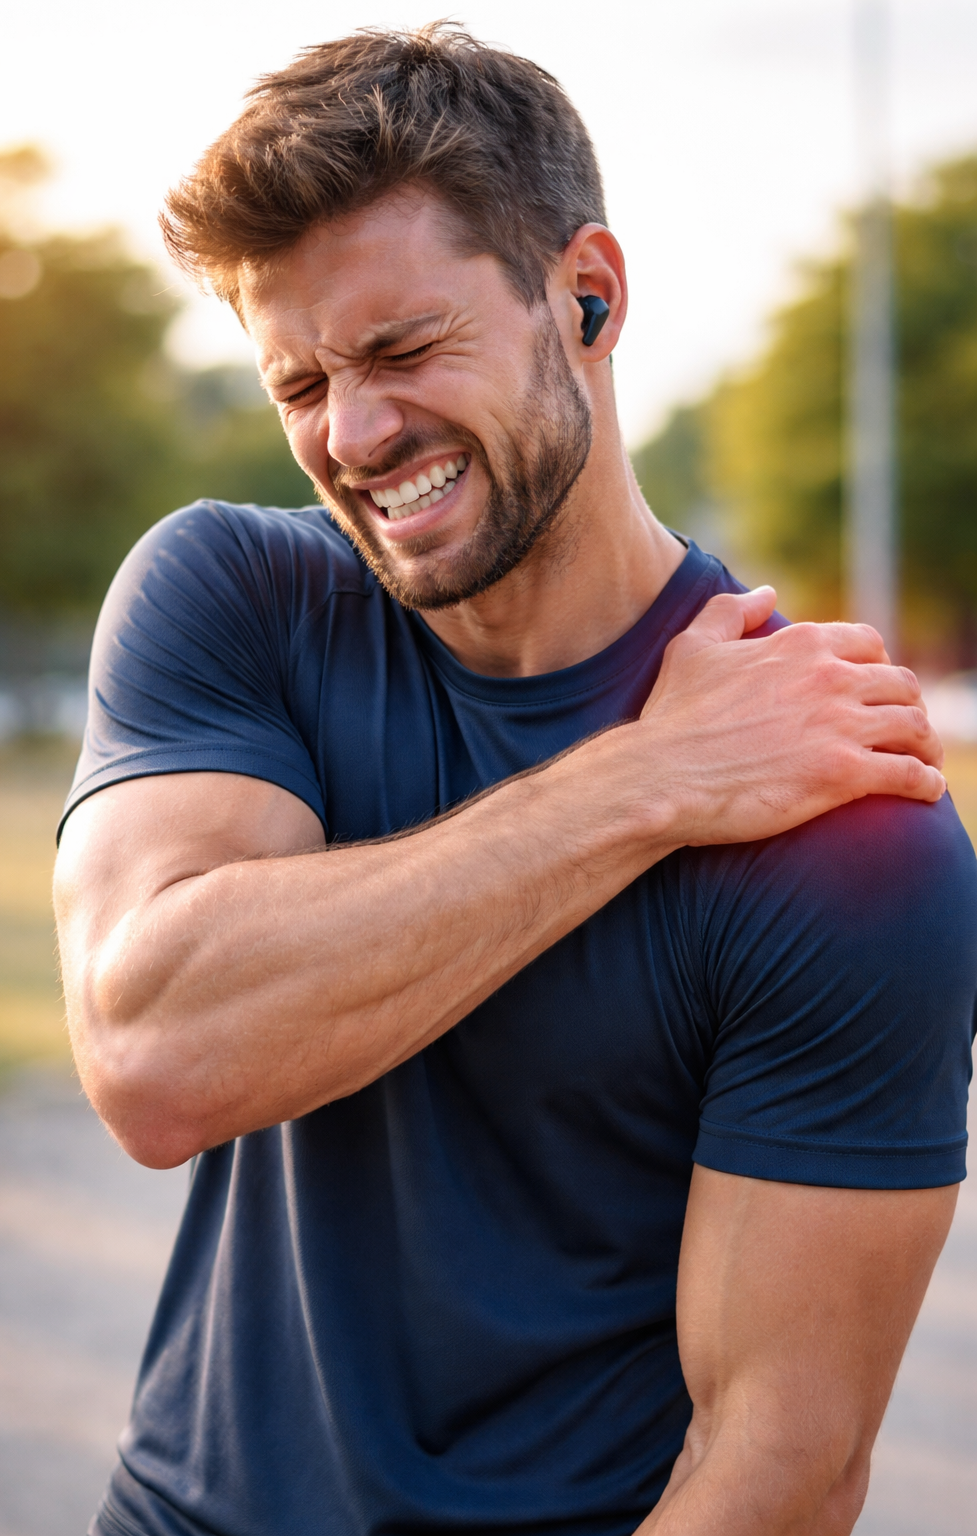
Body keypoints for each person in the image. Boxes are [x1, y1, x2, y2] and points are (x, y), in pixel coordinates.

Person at [54, 25, 976, 1536]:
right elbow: (156, 1057)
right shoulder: (233, 597)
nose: (355, 435)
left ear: (588, 295)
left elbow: (783, 1466)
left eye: (404, 350)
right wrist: (644, 781)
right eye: (302, 382)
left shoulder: (846, 829)